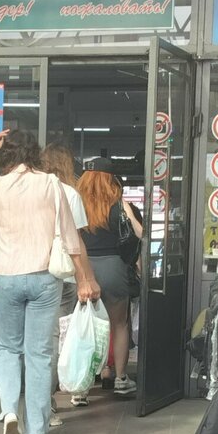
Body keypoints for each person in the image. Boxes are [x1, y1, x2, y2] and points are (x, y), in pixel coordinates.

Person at [0, 130, 100, 434]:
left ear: (6, 155)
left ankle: (10, 411)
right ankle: (38, 431)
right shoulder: (51, 184)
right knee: (39, 353)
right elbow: (70, 236)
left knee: (7, 347)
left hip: (7, 277)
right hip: (44, 277)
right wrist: (84, 277)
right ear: (34, 154)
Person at [77, 158, 143, 398]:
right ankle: (121, 378)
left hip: (83, 269)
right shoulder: (118, 205)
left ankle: (81, 388)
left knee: (85, 327)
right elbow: (140, 234)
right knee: (119, 325)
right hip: (114, 267)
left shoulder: (77, 204)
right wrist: (127, 209)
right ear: (111, 180)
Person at [40, 143, 91, 426]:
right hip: (63, 277)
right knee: (56, 341)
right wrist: (86, 278)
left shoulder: (33, 192)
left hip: (33, 273)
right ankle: (46, 404)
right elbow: (77, 242)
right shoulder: (70, 194)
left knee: (35, 343)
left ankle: (35, 402)